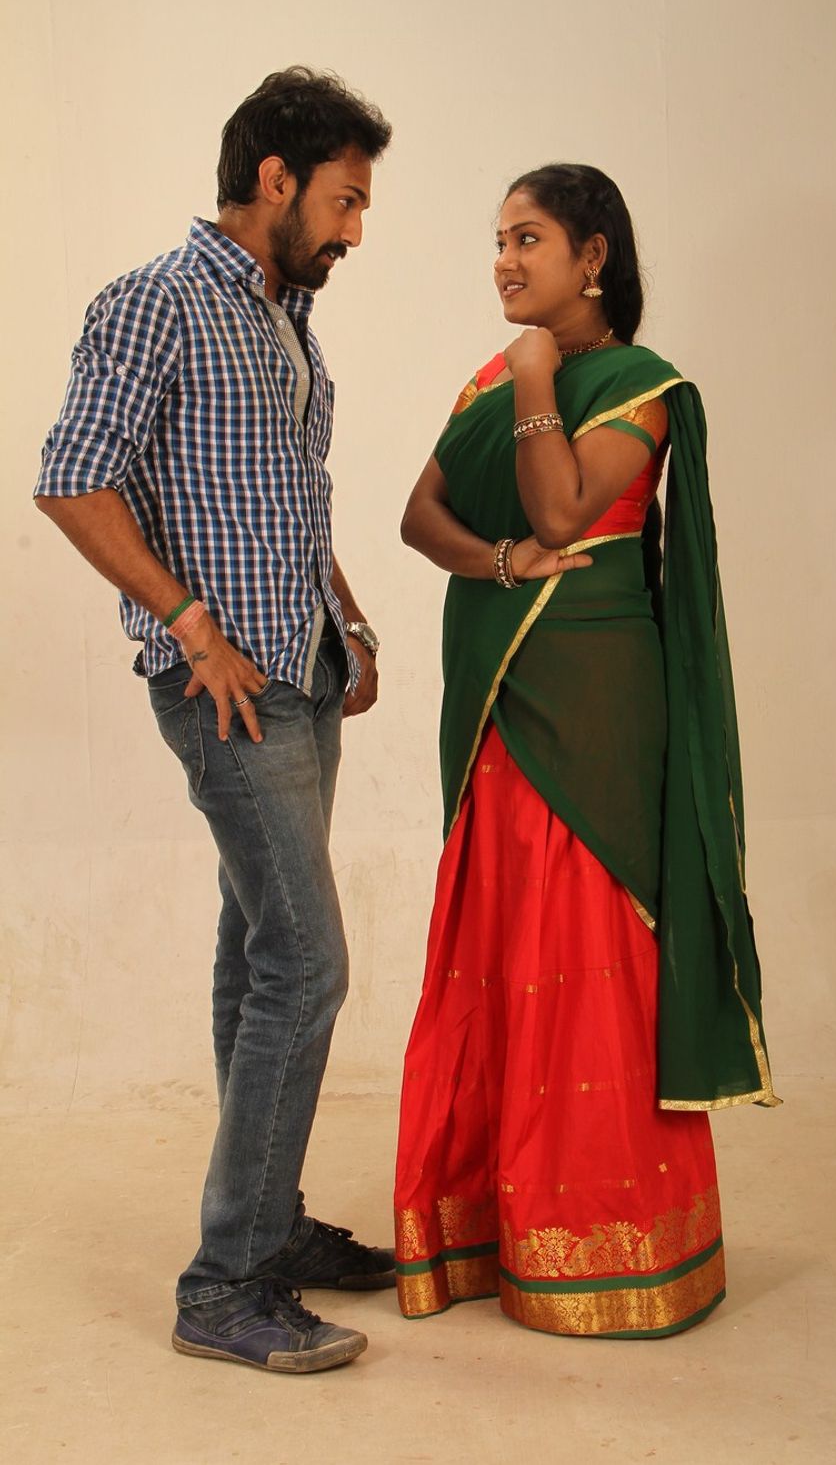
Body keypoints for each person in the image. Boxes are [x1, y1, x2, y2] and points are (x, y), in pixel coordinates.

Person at [35, 68, 394, 1374]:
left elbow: (284, 492)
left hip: (300, 671)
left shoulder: (286, 318)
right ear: (277, 180)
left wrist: (344, 618)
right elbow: (73, 480)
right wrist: (191, 624)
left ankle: (271, 1222)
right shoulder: (158, 300)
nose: (356, 230)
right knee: (307, 964)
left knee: (258, 956)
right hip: (222, 688)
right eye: (345, 200)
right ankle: (225, 1286)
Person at [393, 163, 778, 1339]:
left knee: (584, 938)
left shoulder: (637, 388)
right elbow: (419, 517)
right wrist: (498, 563)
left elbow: (563, 510)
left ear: (592, 257)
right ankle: (488, 1231)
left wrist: (532, 377)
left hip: (599, 698)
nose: (504, 260)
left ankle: (611, 1242)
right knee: (500, 936)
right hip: (497, 694)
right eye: (499, 240)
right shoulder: (490, 379)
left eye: (529, 238)